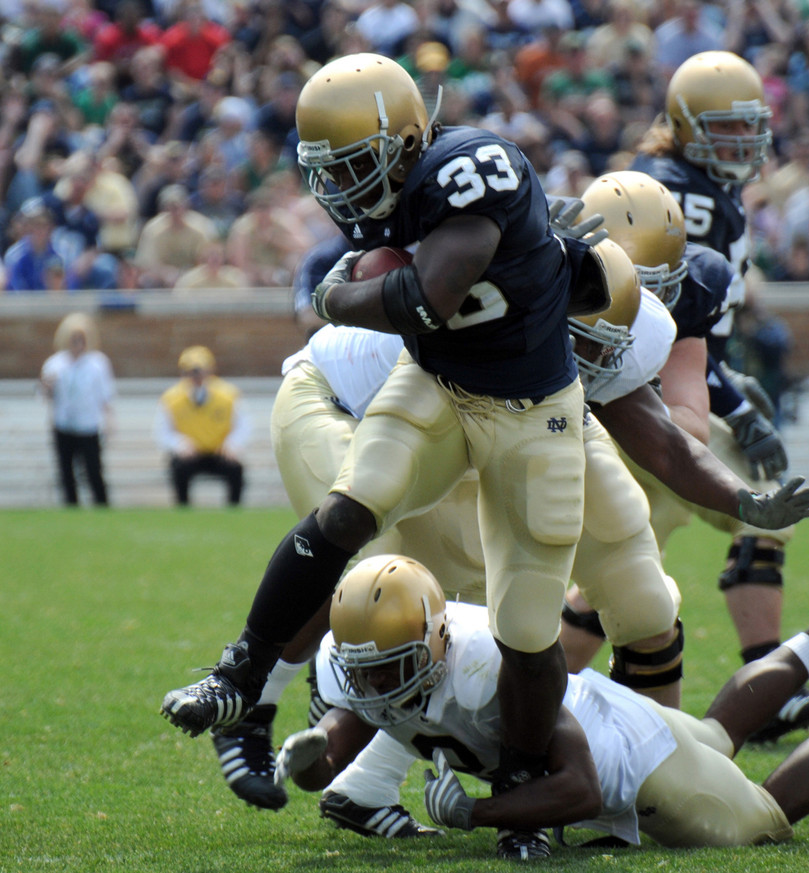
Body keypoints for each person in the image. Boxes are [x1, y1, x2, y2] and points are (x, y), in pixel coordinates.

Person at [211, 229, 809, 819]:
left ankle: (371, 786)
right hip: (351, 401)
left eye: (601, 347)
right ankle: (253, 703)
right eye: (579, 343)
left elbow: (664, 441)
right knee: (381, 563)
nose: (594, 362)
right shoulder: (483, 321)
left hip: (514, 408)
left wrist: (742, 500)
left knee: (539, 598)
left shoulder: (624, 327)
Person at [159, 53, 602, 850]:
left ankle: (522, 782)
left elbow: (422, 296)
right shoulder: (389, 193)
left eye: (356, 166)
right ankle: (241, 675)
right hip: (436, 383)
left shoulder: (471, 169)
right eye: (327, 172)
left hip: (532, 412)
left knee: (527, 626)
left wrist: (332, 295)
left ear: (405, 141)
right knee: (348, 509)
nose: (342, 189)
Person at [274, 553, 809, 854]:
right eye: (362, 671)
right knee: (715, 734)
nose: (374, 684)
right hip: (605, 708)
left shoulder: (489, 662)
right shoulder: (368, 660)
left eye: (389, 668)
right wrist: (311, 761)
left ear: (437, 637)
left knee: (759, 820)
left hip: (625, 759)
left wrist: (476, 812)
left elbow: (579, 787)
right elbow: (348, 725)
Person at [626, 60, 809, 741]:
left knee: (741, 518)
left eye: (747, 128)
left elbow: (699, 335)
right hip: (643, 398)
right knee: (630, 556)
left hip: (671, 391)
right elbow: (670, 322)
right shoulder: (680, 196)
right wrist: (740, 407)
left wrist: (730, 386)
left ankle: (763, 685)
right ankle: (563, 705)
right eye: (722, 128)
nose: (739, 143)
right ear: (688, 127)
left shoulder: (705, 189)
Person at [155, 345, 248, 507]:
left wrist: (232, 444)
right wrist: (179, 443)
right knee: (178, 468)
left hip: (218, 451)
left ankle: (234, 510)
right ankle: (183, 508)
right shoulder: (171, 398)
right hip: (190, 454)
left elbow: (243, 425)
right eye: (190, 372)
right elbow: (162, 431)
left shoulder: (228, 394)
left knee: (235, 469)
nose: (196, 378)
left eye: (200, 372)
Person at [39, 312, 115, 507]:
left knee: (93, 470)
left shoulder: (97, 363)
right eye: (73, 339)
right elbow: (46, 396)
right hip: (64, 423)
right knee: (66, 472)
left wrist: (109, 420)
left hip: (87, 425)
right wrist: (47, 388)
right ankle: (71, 507)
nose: (77, 343)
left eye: (81, 338)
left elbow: (105, 395)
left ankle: (101, 505)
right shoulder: (55, 363)